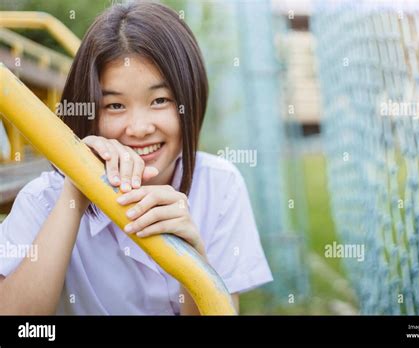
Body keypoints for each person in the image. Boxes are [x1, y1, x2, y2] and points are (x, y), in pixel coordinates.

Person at [0, 1, 273, 315]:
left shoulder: (220, 185)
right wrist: (75, 195)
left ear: (190, 99)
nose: (140, 128)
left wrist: (195, 263)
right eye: (115, 105)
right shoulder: (47, 198)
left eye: (160, 100)